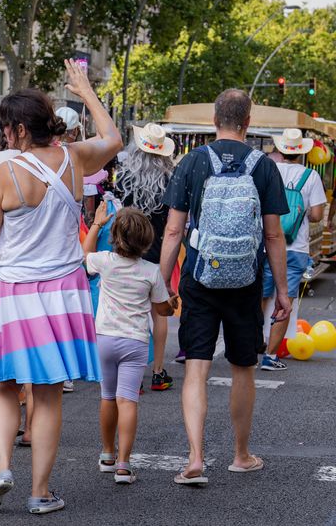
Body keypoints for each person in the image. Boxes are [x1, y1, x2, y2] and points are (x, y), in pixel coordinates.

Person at [0, 59, 122, 514]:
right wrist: (86, 91)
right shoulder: (76, 158)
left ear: (21, 131)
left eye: (7, 129)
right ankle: (40, 492)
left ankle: (1, 467)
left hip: (16, 293)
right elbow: (115, 139)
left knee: (4, 385)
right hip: (65, 292)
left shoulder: (7, 171)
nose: (5, 137)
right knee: (47, 395)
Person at [160, 88, 291, 485]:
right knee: (242, 368)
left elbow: (173, 229)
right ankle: (240, 454)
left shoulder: (192, 162)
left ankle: (195, 458)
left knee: (197, 368)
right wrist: (282, 290)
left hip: (199, 276)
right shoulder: (264, 167)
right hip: (245, 281)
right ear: (248, 122)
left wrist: (160, 282)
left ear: (213, 120)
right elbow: (273, 237)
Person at [83, 205, 177, 484]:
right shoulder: (151, 271)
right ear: (147, 240)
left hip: (105, 338)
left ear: (115, 236)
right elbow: (162, 311)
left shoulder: (105, 261)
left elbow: (84, 253)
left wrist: (97, 224)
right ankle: (124, 464)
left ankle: (107, 454)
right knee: (128, 400)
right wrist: (171, 305)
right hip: (135, 342)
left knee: (107, 397)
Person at [116, 123, 176, 390]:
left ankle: (133, 376)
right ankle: (158, 371)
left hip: (126, 251)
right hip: (157, 250)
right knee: (159, 314)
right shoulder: (171, 179)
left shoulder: (124, 177)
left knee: (131, 314)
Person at [260, 130, 326, 371]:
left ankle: (253, 343)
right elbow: (318, 214)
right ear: (302, 151)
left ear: (282, 149)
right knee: (284, 299)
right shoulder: (310, 176)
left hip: (266, 243)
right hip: (295, 247)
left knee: (262, 295)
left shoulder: (270, 171)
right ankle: (270, 356)